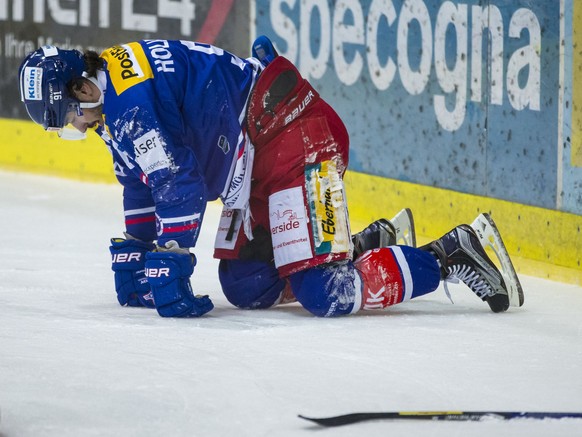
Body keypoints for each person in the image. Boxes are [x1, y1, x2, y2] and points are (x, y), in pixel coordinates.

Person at [17, 36, 523, 318]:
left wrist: (169, 255)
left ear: (81, 87)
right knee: (247, 285)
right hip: (256, 160)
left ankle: (453, 252)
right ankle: (367, 242)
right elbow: (139, 182)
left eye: (64, 117)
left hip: (293, 137)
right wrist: (136, 244)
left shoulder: (128, 106)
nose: (71, 128)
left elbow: (180, 188)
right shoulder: (113, 98)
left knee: (323, 293)